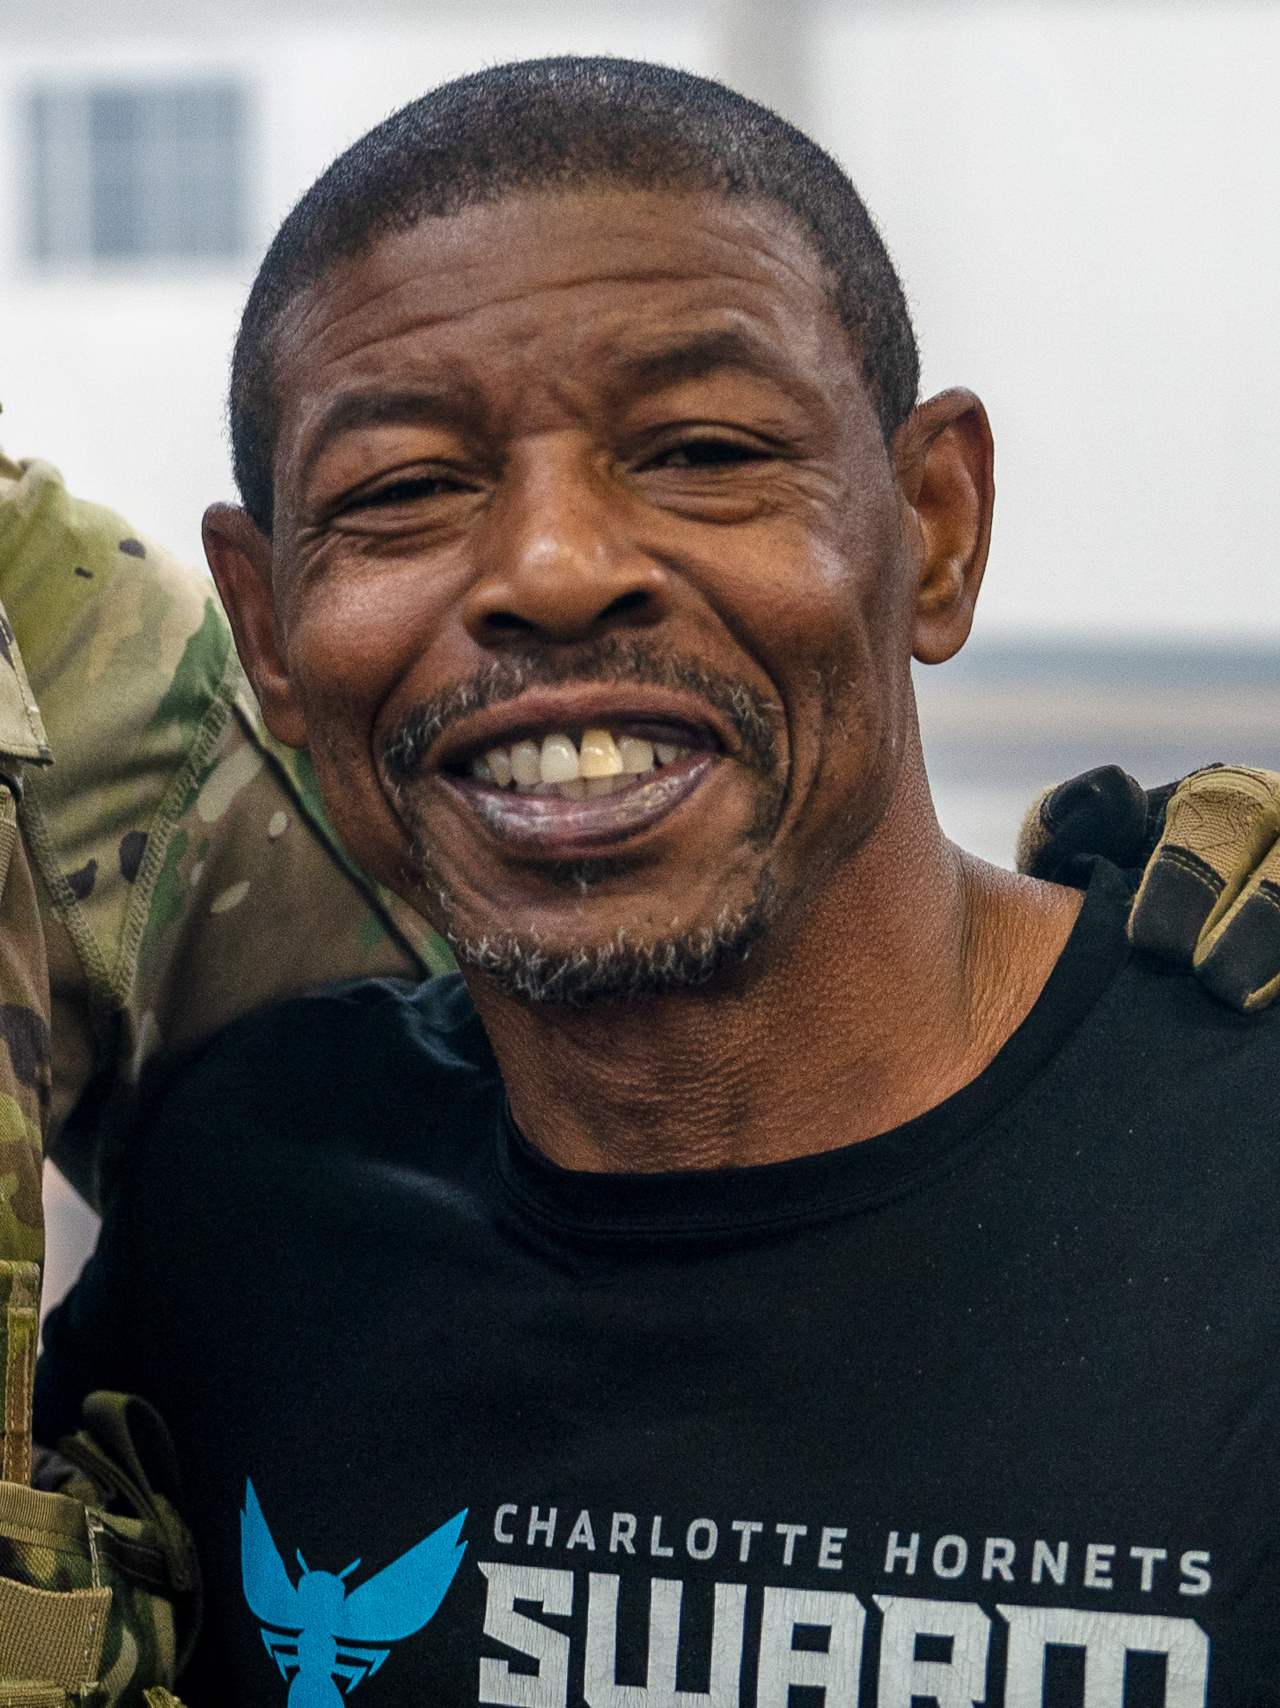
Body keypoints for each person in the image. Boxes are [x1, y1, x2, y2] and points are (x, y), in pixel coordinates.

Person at [34, 58, 1280, 1705]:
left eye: (699, 448)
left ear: (936, 525)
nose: (553, 572)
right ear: (264, 635)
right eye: (403, 489)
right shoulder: (246, 1211)